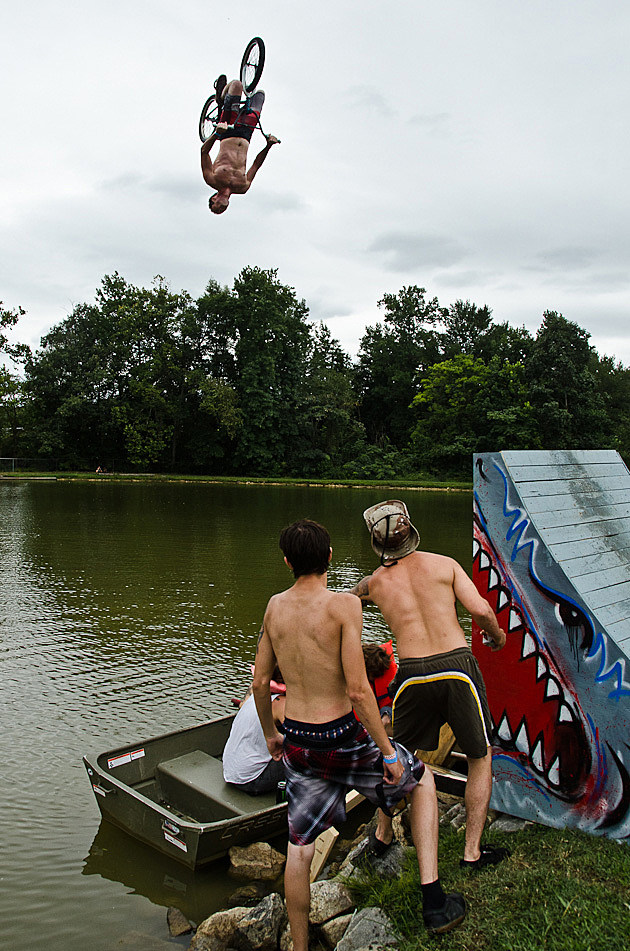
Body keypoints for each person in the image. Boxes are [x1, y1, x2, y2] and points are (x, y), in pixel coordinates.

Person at [253, 519, 466, 948]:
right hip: (341, 738)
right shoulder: (344, 607)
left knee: (300, 844)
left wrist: (271, 735)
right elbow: (357, 689)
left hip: (298, 740)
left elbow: (259, 682)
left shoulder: (274, 607)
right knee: (420, 780)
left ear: (287, 562)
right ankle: (434, 901)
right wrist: (387, 751)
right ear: (330, 557)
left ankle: (299, 945)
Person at [350, 499, 510, 872]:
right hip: (456, 667)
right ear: (412, 530)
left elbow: (348, 599)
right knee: (479, 756)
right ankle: (471, 852)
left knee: (399, 758)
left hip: (410, 672)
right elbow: (482, 611)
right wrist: (497, 637)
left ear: (377, 543)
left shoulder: (373, 583)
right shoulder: (445, 564)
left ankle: (383, 833)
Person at [200, 74, 279, 214]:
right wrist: (268, 146)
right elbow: (256, 165)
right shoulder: (242, 187)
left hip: (227, 132)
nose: (222, 209)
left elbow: (204, 152)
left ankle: (221, 98)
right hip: (246, 134)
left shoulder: (212, 179)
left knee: (237, 85)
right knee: (260, 96)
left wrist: (216, 133)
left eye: (217, 208)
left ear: (213, 199)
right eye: (222, 210)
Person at [222, 668, 286, 795]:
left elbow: (242, 705)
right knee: (306, 754)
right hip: (252, 780)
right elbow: (302, 738)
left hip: (231, 771)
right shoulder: (282, 704)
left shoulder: (256, 689)